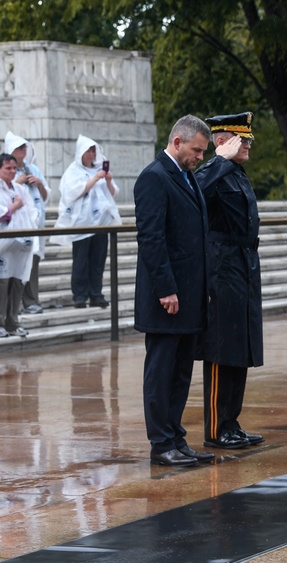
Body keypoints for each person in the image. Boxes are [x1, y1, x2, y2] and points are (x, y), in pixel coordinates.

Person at [134, 115, 215, 466]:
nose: (200, 157)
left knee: (181, 372)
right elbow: (152, 239)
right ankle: (161, 443)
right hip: (166, 298)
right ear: (178, 142)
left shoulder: (187, 176)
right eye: (197, 150)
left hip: (189, 296)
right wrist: (166, 288)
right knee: (161, 371)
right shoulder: (154, 177)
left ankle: (176, 437)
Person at [195, 112, 264, 450]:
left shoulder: (237, 173)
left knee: (241, 345)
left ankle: (232, 422)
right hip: (222, 267)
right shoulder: (215, 172)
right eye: (241, 139)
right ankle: (216, 426)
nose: (248, 143)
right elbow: (194, 189)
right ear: (222, 142)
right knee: (222, 348)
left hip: (243, 265)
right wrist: (217, 161)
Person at [52, 135, 121, 308]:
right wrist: (94, 179)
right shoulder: (73, 171)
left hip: (101, 223)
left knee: (98, 261)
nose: (91, 155)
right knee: (81, 261)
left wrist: (108, 180)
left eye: (93, 151)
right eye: (88, 151)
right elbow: (72, 193)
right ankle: (80, 295)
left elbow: (112, 194)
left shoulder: (100, 170)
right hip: (82, 223)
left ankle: (96, 294)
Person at [3, 132, 48, 315]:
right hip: (12, 231)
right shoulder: (8, 177)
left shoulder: (33, 170)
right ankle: (11, 308)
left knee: (31, 264)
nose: (23, 152)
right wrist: (18, 181)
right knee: (11, 271)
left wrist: (38, 184)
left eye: (24, 149)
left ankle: (30, 300)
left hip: (34, 227)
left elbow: (44, 197)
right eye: (19, 149)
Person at [0, 154, 36, 337]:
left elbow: (31, 211)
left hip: (21, 244)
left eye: (14, 168)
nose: (12, 172)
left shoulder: (20, 189)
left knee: (17, 281)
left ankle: (12, 321)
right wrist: (13, 207)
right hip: (3, 245)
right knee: (2, 282)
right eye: (8, 168)